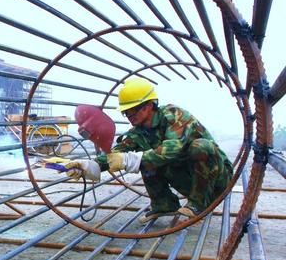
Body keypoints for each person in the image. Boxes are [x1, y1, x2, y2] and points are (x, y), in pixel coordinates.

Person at [66, 77, 233, 223]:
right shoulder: (138, 133)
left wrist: (131, 159)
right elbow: (116, 155)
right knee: (145, 159)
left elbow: (172, 149)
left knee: (200, 146)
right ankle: (163, 204)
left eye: (133, 110)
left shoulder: (175, 116)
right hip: (188, 182)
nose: (129, 116)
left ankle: (198, 204)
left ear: (148, 106)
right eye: (126, 112)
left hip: (217, 180)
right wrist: (88, 166)